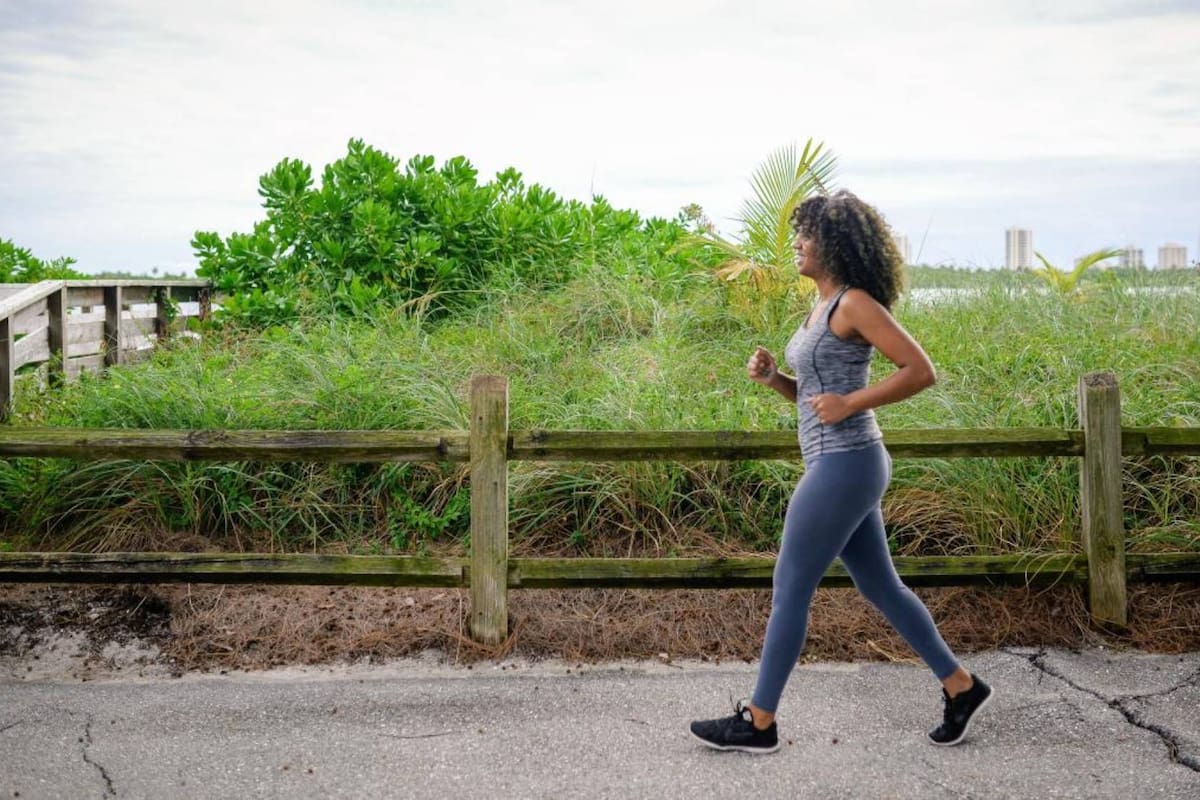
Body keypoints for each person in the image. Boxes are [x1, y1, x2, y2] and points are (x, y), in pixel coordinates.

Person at [689, 190, 993, 754]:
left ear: (835, 244)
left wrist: (851, 405)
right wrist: (776, 379)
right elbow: (815, 396)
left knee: (789, 589)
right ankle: (961, 685)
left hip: (845, 461)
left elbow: (920, 370)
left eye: (808, 234)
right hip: (843, 461)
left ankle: (758, 722)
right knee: (880, 585)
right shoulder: (821, 308)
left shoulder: (855, 303)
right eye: (798, 233)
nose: (798, 243)